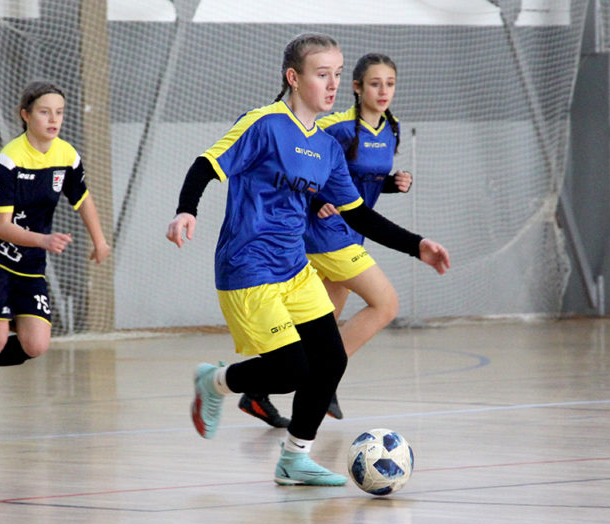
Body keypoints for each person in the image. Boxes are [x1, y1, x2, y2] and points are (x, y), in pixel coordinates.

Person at [166, 34, 449, 486]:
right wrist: (187, 210)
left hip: (294, 268)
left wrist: (418, 245)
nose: (333, 84)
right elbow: (206, 164)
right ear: (294, 78)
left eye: (337, 74)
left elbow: (358, 214)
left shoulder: (328, 149)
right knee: (290, 370)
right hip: (248, 266)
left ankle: (295, 459)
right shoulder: (264, 124)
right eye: (322, 74)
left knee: (330, 360)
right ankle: (214, 382)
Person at [239, 53, 436, 425]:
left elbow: (357, 184)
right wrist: (317, 201)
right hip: (325, 233)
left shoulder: (390, 129)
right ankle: (324, 378)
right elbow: (305, 167)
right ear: (357, 87)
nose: (383, 91)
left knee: (324, 323)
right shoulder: (336, 127)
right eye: (375, 83)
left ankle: (258, 391)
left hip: (353, 232)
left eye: (390, 84)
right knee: (386, 304)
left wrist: (392, 184)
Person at [0, 81, 111, 437]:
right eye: (45, 112)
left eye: (59, 112)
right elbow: (2, 226)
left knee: (35, 345)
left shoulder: (66, 155)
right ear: (26, 115)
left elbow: (82, 199)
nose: (54, 119)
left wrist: (99, 240)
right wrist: (45, 240)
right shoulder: (11, 159)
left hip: (29, 260)